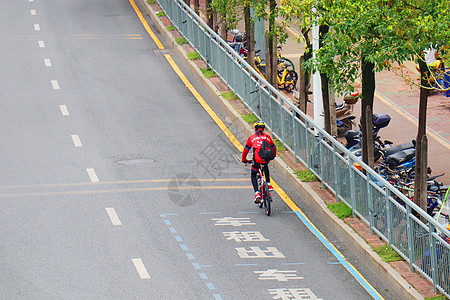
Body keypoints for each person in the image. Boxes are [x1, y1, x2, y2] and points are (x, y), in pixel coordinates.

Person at [242, 121, 277, 203]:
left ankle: (257, 193)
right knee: (265, 166)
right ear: (263, 129)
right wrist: (273, 156)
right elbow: (274, 147)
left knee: (253, 174)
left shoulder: (252, 138)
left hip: (257, 160)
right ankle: (268, 183)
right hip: (266, 157)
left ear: (255, 129)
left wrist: (244, 159)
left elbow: (246, 150)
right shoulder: (267, 137)